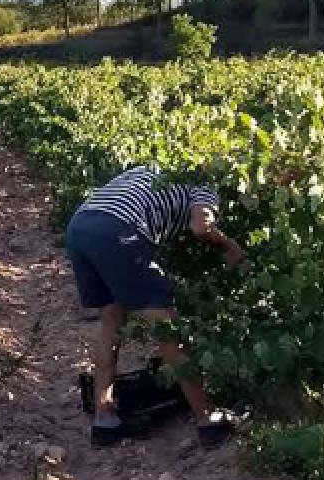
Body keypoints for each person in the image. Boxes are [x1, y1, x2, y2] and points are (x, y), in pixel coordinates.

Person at [65, 165, 245, 446]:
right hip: (118, 231)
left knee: (111, 321)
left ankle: (105, 419)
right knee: (167, 326)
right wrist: (230, 246)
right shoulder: (203, 182)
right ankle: (208, 419)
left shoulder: (151, 169)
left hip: (81, 226)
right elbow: (201, 226)